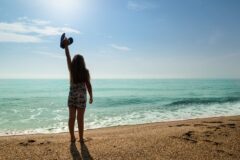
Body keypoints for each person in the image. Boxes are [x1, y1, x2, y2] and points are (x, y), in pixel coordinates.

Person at [63, 37, 93, 143]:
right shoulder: (85, 71)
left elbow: (67, 57)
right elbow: (88, 85)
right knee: (80, 119)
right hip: (81, 97)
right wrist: (91, 96)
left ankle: (72, 137)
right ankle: (80, 138)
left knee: (71, 118)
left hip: (72, 96)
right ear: (83, 62)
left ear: (74, 62)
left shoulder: (71, 69)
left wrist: (66, 45)